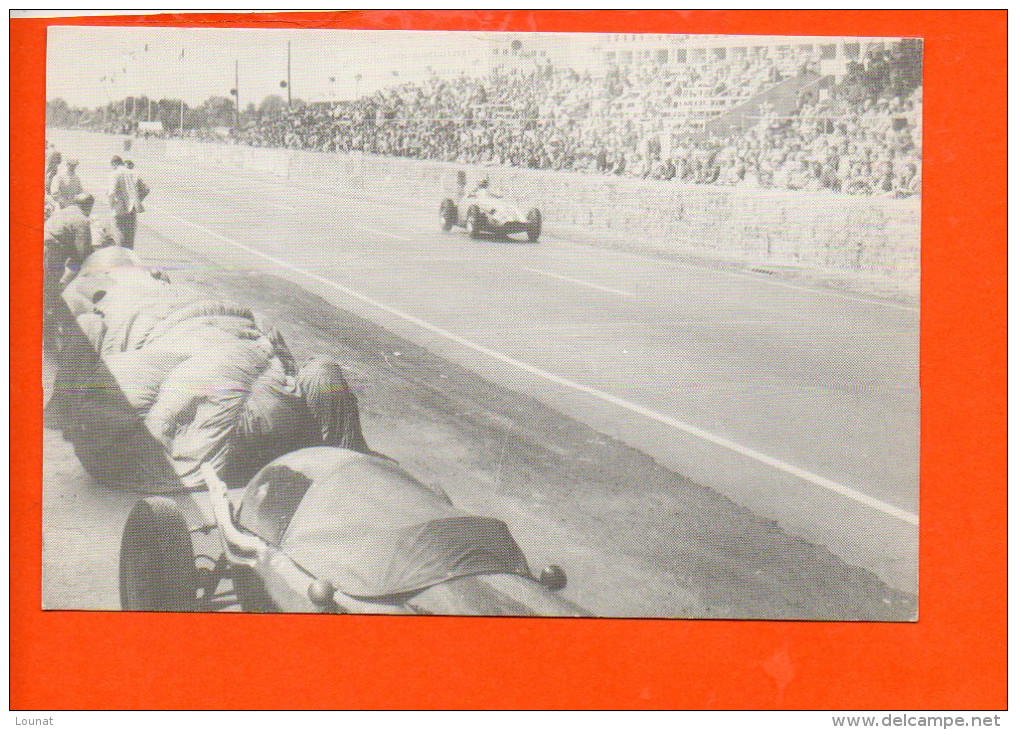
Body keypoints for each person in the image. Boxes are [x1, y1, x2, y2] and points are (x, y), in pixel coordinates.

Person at [43, 193, 94, 297]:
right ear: (89, 207)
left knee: (46, 279)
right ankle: (57, 297)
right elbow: (83, 250)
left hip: (43, 241)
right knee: (53, 280)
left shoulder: (64, 211)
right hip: (53, 247)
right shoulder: (81, 220)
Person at [106, 156, 148, 249]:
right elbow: (146, 189)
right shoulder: (133, 173)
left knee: (119, 236)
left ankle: (120, 258)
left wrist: (111, 205)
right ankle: (129, 257)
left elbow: (111, 193)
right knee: (130, 236)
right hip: (132, 209)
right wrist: (137, 199)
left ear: (114, 164)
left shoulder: (114, 174)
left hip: (119, 209)